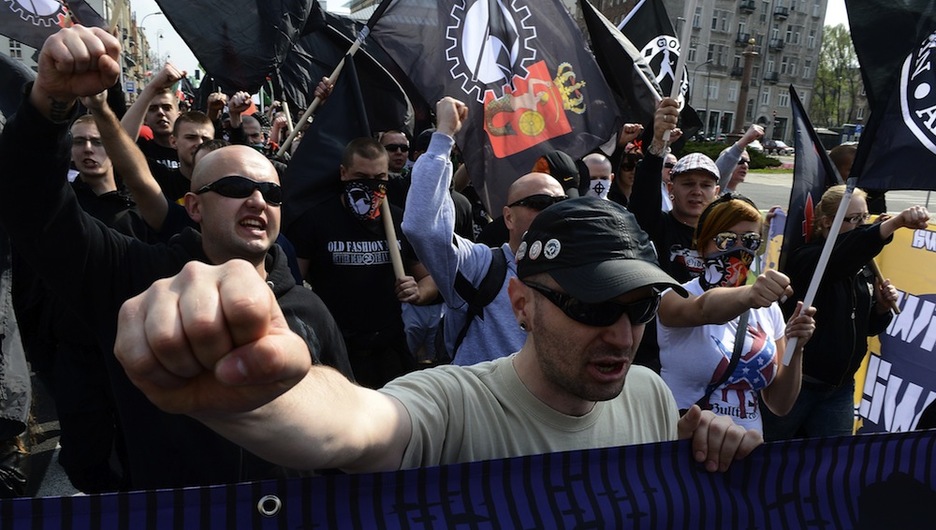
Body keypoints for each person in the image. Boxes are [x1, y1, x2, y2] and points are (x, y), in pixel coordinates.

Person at [114, 198, 764, 475]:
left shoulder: (648, 397)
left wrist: (708, 447)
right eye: (594, 307)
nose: (622, 335)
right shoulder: (455, 405)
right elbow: (356, 423)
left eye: (640, 308)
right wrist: (248, 393)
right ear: (522, 306)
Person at [0, 25, 352, 489]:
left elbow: (347, 424)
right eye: (234, 188)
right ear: (194, 207)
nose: (257, 201)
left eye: (271, 192)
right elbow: (33, 206)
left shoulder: (309, 309)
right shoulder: (134, 275)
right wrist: (51, 104)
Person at [403, 98, 567, 364]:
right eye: (539, 204)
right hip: (485, 403)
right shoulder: (481, 267)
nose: (551, 212)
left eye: (561, 204)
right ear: (508, 217)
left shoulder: (579, 266)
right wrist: (444, 134)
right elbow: (422, 226)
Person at [763, 185, 930, 440]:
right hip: (798, 387)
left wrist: (882, 308)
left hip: (839, 390)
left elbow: (867, 326)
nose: (863, 225)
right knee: (769, 459)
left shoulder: (861, 269)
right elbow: (843, 255)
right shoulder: (808, 258)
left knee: (832, 466)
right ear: (828, 222)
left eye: (866, 218)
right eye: (855, 220)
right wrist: (895, 223)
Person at [656, 193, 817, 432]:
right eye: (726, 240)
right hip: (687, 445)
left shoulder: (768, 309)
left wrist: (797, 347)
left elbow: (779, 404)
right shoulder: (673, 296)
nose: (740, 250)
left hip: (747, 450)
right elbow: (703, 310)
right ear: (703, 243)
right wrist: (749, 295)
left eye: (751, 241)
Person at [285, 137, 435, 388]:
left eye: (380, 178)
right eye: (361, 176)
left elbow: (430, 279)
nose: (371, 185)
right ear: (344, 174)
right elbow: (293, 285)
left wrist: (419, 292)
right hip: (335, 347)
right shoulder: (316, 220)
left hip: (389, 346)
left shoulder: (399, 221)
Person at [715, 125, 763, 194]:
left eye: (747, 162)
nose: (745, 165)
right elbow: (727, 160)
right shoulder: (715, 193)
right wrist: (745, 140)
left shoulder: (740, 198)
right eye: (740, 161)